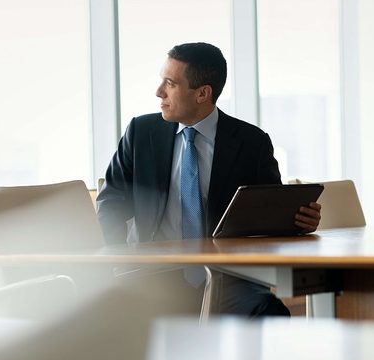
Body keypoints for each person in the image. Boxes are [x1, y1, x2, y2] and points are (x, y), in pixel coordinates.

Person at [96, 42, 321, 317]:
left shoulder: (251, 143)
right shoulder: (141, 134)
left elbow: (270, 216)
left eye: (170, 83)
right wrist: (118, 261)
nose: (158, 92)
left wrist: (299, 223)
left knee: (268, 312)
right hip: (153, 277)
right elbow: (110, 202)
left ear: (202, 93)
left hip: (227, 277)